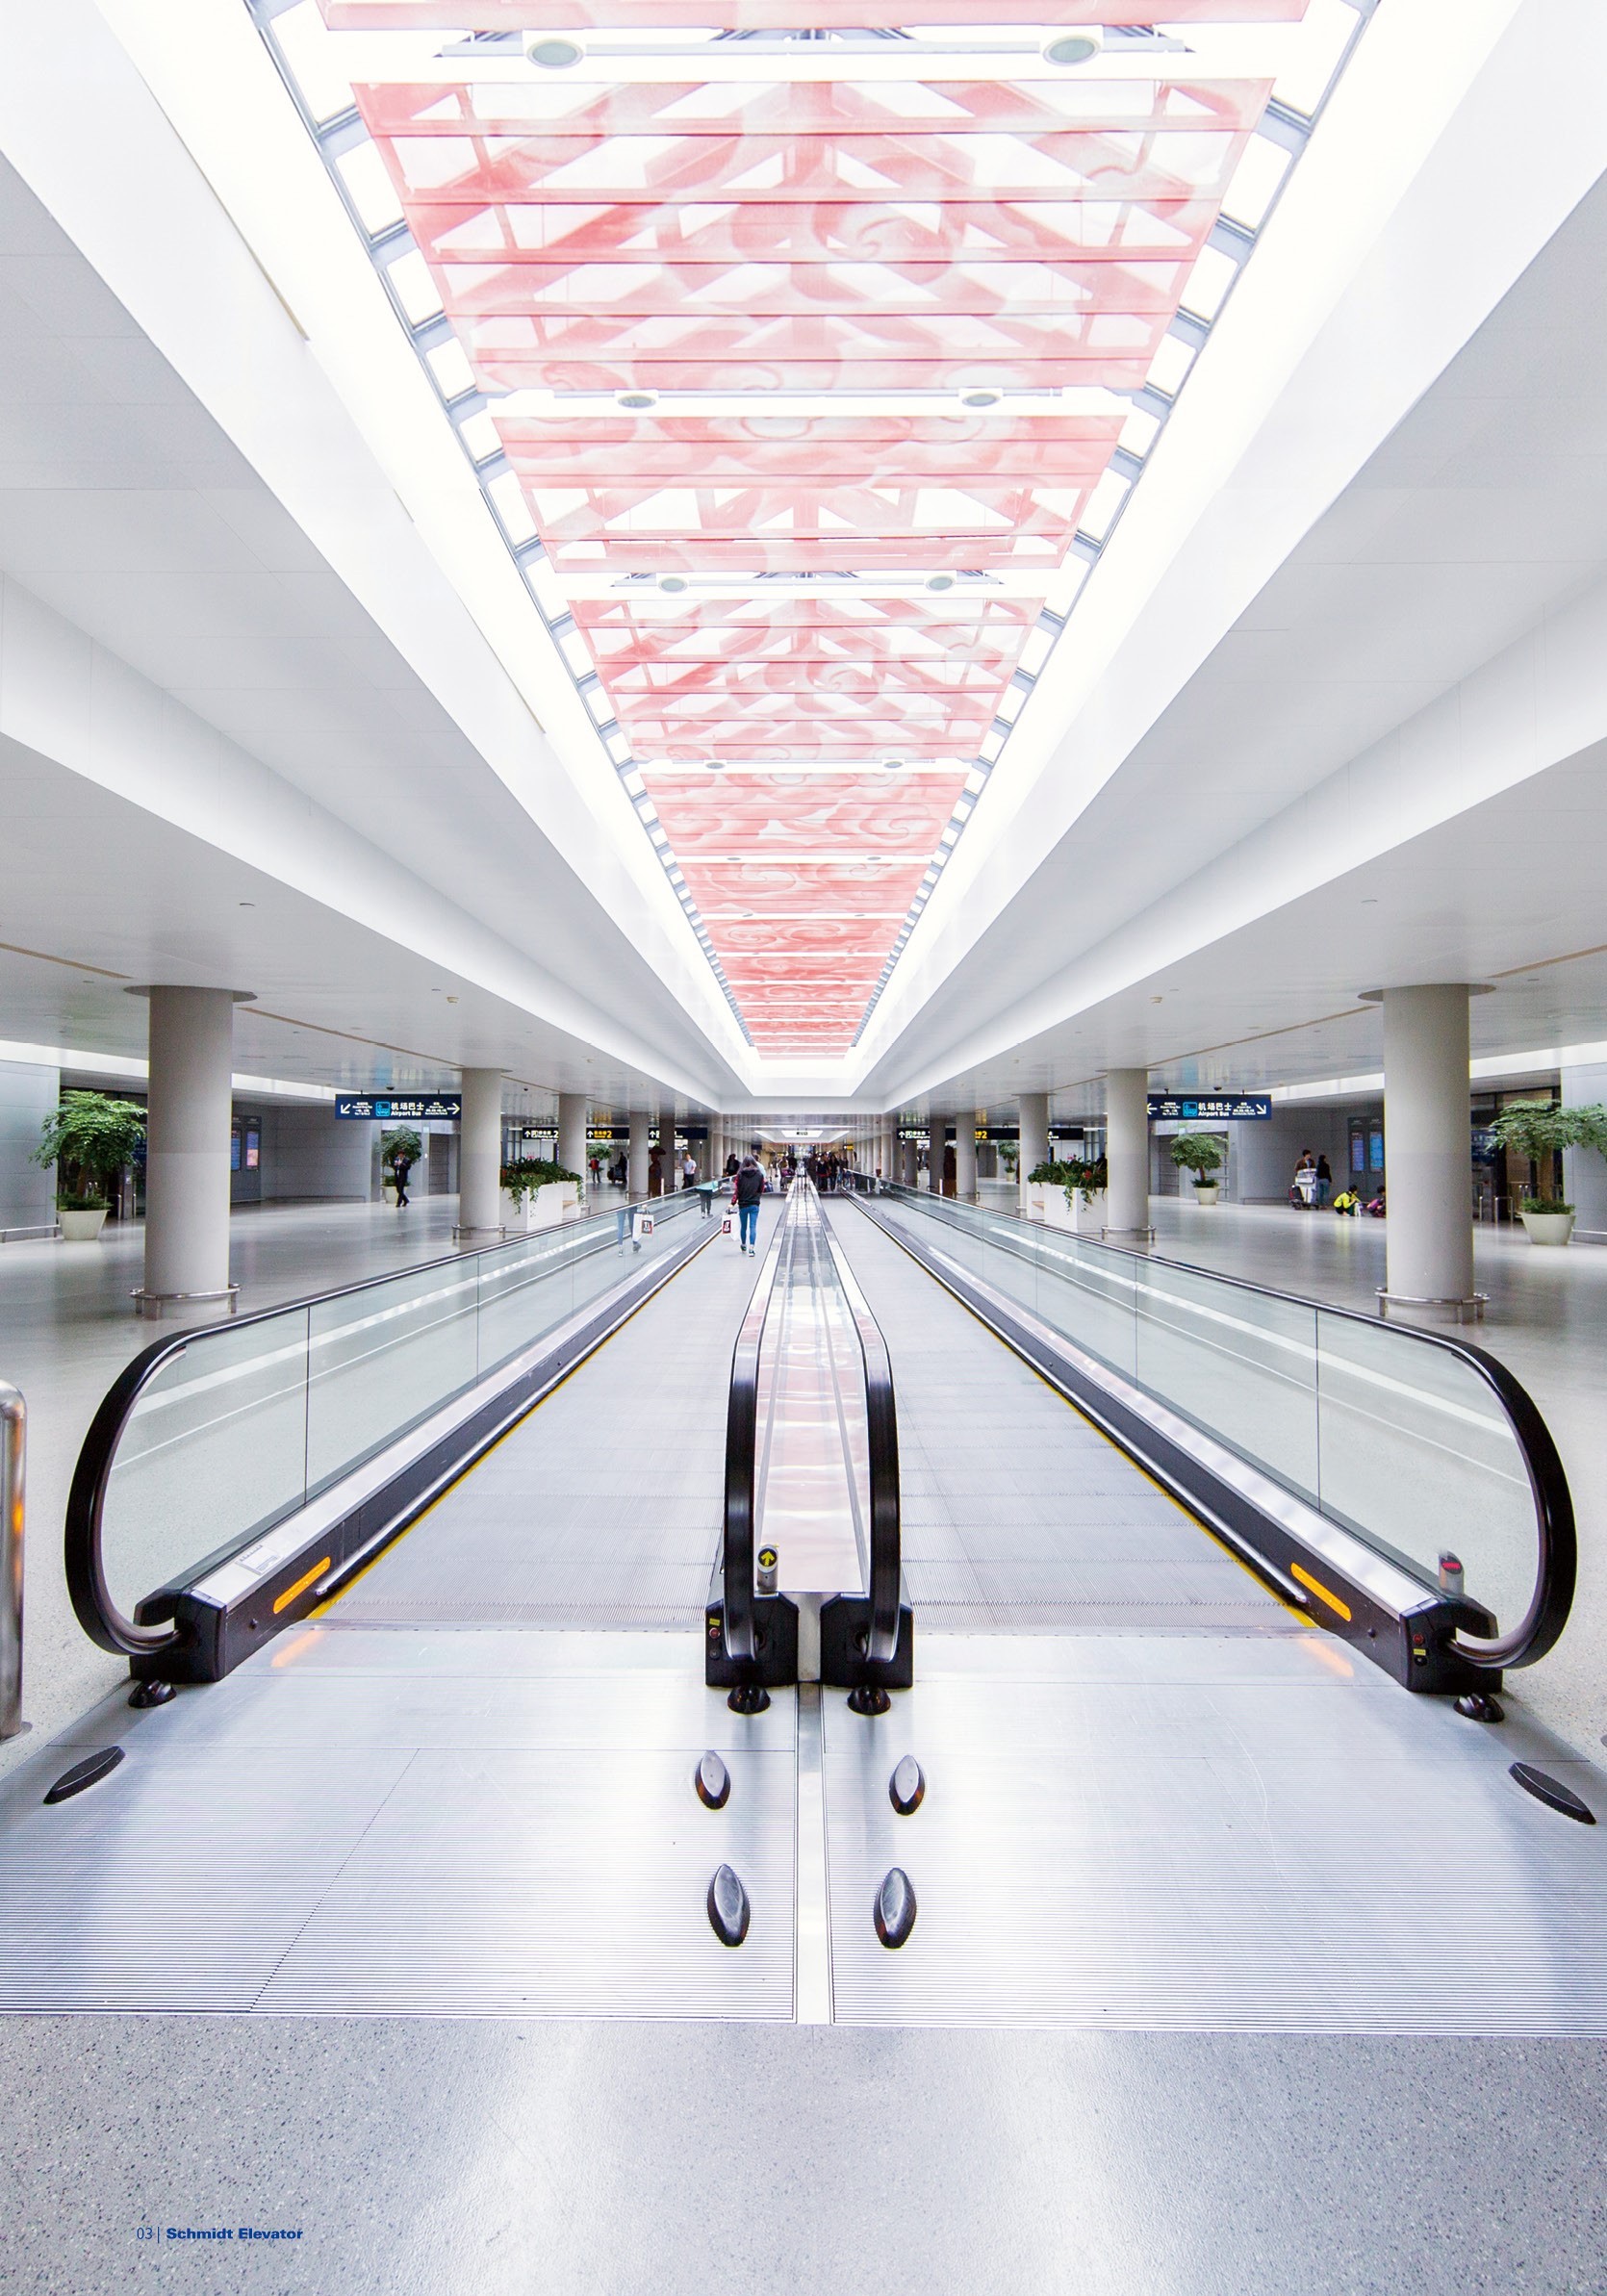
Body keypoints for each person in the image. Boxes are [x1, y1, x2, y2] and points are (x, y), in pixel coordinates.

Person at [733, 1154, 763, 1255]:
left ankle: (743, 1245)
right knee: (753, 1226)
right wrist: (756, 1196)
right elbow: (761, 1189)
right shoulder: (759, 1174)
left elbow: (737, 1191)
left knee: (743, 1227)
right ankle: (752, 1249)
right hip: (754, 1204)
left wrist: (733, 1202)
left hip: (743, 1204)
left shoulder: (740, 1175)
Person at [391, 1145, 414, 1209]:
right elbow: (394, 1166)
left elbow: (407, 1167)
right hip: (397, 1176)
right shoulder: (396, 1159)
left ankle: (399, 1203)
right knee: (398, 1190)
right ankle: (406, 1200)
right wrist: (395, 1165)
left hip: (403, 1177)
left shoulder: (407, 1160)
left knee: (401, 1190)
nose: (400, 1156)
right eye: (399, 1155)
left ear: (403, 1155)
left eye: (401, 1155)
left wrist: (401, 1164)